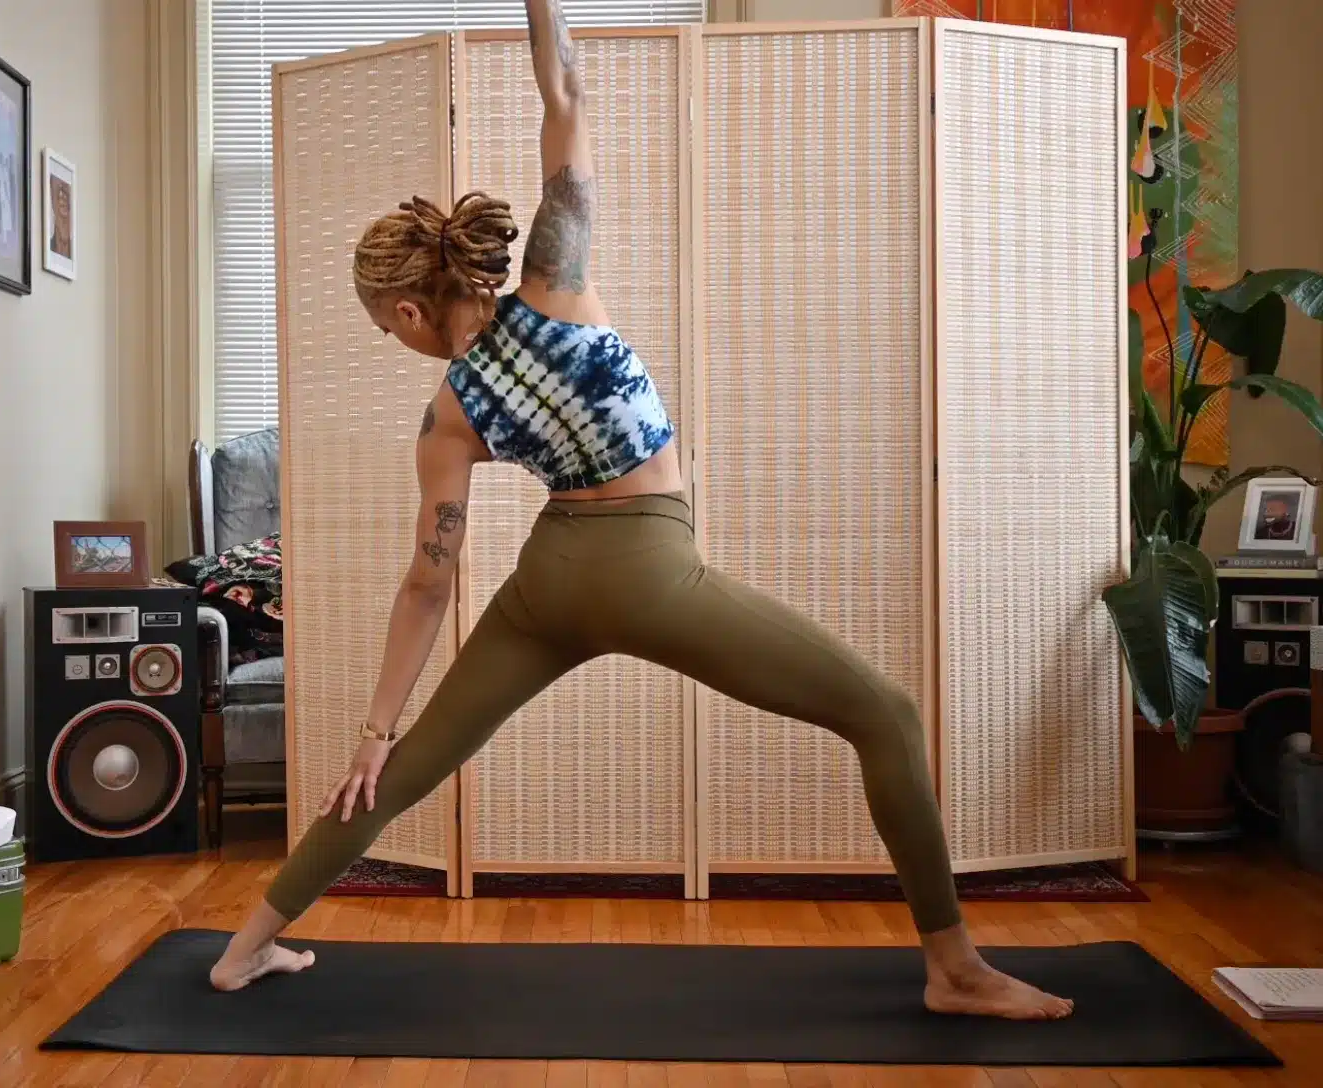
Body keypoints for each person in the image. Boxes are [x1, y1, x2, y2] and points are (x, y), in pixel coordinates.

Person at [209, 0, 1074, 1022]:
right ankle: (954, 965)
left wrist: (371, 729)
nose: (388, 340)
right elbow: (565, 89)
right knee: (882, 714)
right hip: (646, 570)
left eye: (380, 326)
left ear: (407, 308)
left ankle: (243, 949)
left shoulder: (446, 415)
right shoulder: (555, 276)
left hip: (548, 584)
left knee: (395, 775)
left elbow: (427, 577)